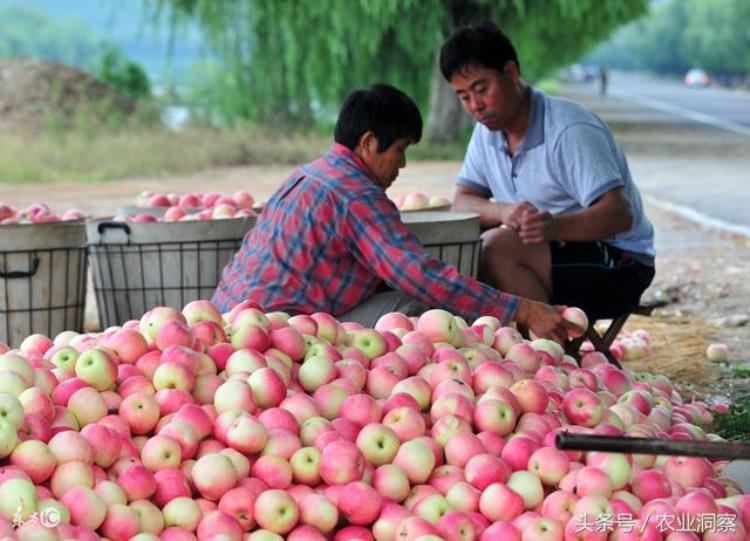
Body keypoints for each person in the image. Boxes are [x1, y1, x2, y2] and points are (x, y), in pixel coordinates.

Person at [212, 83, 573, 341]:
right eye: (399, 149)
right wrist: (520, 309)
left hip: (224, 318)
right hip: (277, 333)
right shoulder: (355, 194)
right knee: (417, 307)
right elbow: (419, 274)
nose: (401, 163)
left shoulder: (311, 173)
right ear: (368, 142)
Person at [439, 21, 655, 321]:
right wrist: (503, 212)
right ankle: (530, 350)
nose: (475, 105)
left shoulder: (568, 130)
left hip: (621, 263)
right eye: (463, 97)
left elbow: (619, 214)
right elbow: (462, 201)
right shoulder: (485, 132)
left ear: (511, 73)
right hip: (552, 253)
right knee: (463, 257)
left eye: (481, 89)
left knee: (495, 249)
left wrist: (552, 227)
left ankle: (550, 356)